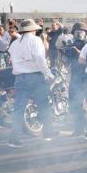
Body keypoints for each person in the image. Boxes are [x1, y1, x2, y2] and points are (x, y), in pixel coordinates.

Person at [7, 19, 56, 147]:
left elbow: (12, 60)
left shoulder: (15, 43)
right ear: (33, 29)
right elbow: (40, 59)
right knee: (43, 105)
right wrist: (48, 74)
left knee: (18, 109)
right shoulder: (36, 40)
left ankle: (14, 139)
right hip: (36, 77)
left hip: (20, 78)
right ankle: (48, 133)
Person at [65, 23, 87, 137]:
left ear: (86, 33)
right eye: (76, 32)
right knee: (75, 103)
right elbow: (66, 62)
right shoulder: (71, 45)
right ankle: (79, 129)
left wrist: (79, 53)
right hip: (75, 78)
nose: (78, 34)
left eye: (81, 31)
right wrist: (65, 51)